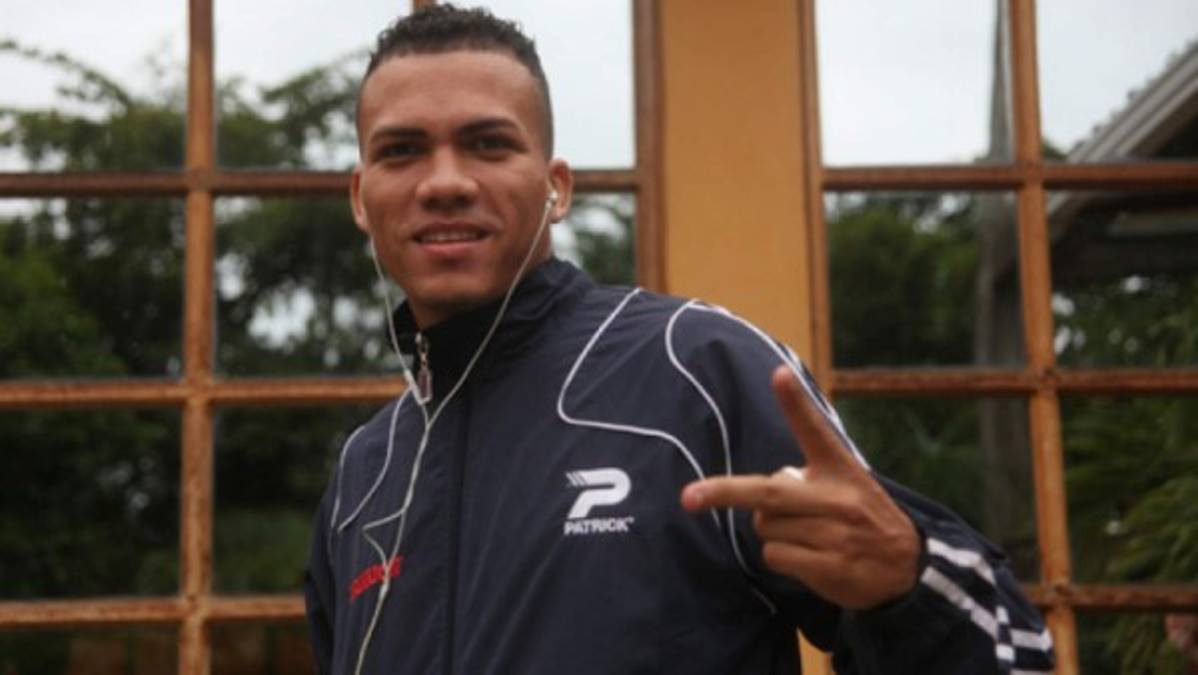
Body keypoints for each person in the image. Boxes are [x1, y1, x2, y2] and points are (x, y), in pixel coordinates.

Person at [304, 5, 1056, 674]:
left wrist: (906, 586)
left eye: (488, 144)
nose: (444, 182)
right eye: (401, 151)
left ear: (556, 187)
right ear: (362, 197)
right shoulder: (365, 471)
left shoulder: (695, 371)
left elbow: (1014, 651)